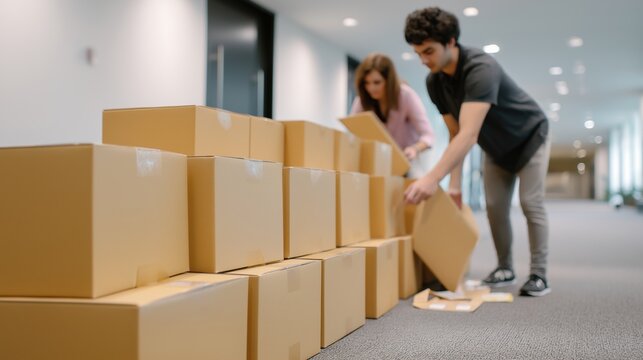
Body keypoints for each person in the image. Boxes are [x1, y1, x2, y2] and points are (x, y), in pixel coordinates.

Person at [403, 7, 552, 296]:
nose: (423, 60)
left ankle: (539, 274)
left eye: (429, 51)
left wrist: (432, 178)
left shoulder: (480, 69)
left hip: (529, 136)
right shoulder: (435, 82)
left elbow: (469, 134)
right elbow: (455, 133)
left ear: (450, 42)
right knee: (495, 207)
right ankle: (505, 268)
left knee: (529, 202)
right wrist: (455, 186)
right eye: (418, 53)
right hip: (495, 147)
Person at [350, 53, 435, 178]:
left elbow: (428, 135)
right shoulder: (361, 101)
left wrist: (414, 149)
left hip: (408, 164)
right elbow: (353, 131)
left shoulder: (406, 96)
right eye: (366, 83)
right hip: (377, 163)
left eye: (377, 82)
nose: (371, 88)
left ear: (388, 81)